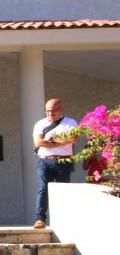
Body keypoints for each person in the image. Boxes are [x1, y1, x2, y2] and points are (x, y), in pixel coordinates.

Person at [32, 98, 78, 228]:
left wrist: (50, 142)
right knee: (42, 189)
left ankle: (63, 219)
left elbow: (73, 139)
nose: (50, 114)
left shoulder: (70, 123)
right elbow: (38, 142)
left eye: (53, 111)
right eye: (47, 111)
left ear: (61, 110)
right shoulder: (40, 124)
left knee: (62, 190)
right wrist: (61, 142)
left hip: (63, 161)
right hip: (45, 160)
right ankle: (40, 219)